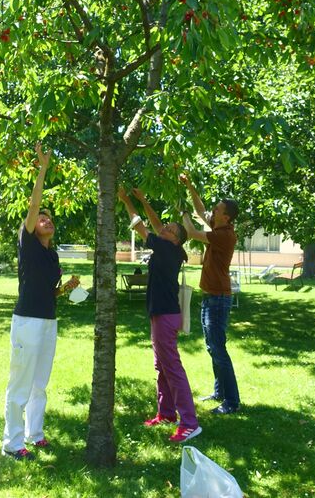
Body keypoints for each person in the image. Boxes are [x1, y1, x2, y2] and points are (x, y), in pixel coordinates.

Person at [1, 143, 80, 461]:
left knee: (39, 384)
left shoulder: (52, 254)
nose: (46, 220)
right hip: (27, 322)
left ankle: (34, 434)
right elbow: (34, 204)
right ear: (32, 227)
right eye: (41, 219)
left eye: (49, 219)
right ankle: (11, 443)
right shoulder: (28, 243)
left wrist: (66, 289)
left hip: (48, 321)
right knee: (20, 384)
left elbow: (49, 291)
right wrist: (43, 168)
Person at [118, 186, 202, 442]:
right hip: (161, 313)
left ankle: (190, 423)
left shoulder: (166, 248)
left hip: (165, 314)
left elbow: (139, 226)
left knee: (172, 367)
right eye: (165, 228)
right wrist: (144, 199)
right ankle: (166, 413)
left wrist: (126, 201)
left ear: (176, 239)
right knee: (162, 366)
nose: (163, 229)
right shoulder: (170, 247)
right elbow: (155, 225)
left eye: (169, 230)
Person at [178, 173, 240, 415]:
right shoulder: (217, 226)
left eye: (217, 209)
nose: (213, 211)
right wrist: (189, 186)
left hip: (218, 298)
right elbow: (200, 209)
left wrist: (183, 213)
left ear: (226, 216)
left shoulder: (224, 235)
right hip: (210, 297)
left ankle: (231, 401)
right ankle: (219, 392)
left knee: (218, 349)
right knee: (212, 347)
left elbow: (191, 232)